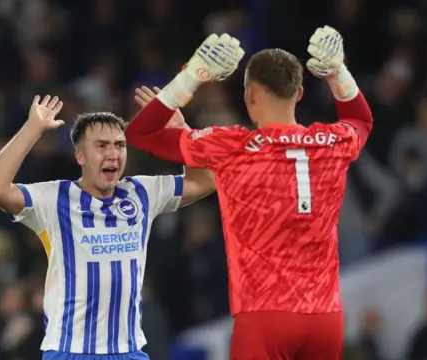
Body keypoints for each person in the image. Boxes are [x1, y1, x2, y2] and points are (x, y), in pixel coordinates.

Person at [125, 26, 373, 359]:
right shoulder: (332, 142)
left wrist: (192, 77)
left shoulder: (233, 147)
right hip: (325, 316)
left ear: (250, 94)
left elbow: (140, 133)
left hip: (265, 316)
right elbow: (361, 120)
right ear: (298, 93)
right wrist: (337, 72)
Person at [0, 87, 220, 359]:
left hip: (128, 351)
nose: (113, 153)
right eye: (101, 146)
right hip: (71, 351)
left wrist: (181, 132)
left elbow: (204, 181)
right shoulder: (54, 198)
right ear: (79, 157)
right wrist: (32, 129)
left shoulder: (142, 192)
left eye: (119, 145)